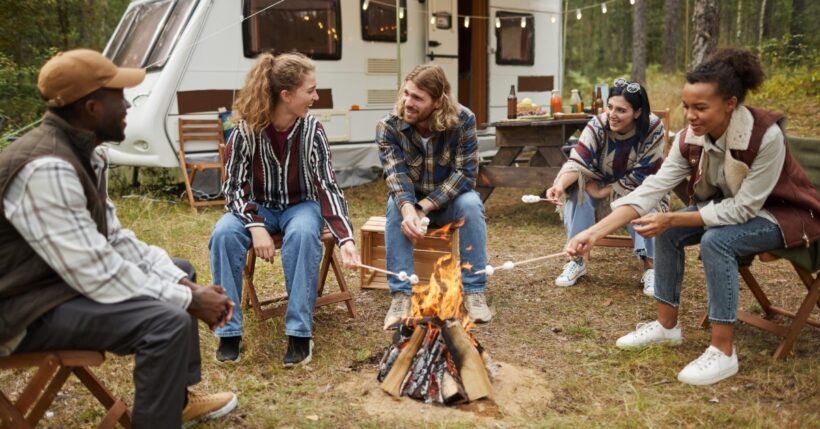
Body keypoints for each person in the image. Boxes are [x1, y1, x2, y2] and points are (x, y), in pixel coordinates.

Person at [0, 49, 237, 427]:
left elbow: (114, 238)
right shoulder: (47, 168)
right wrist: (189, 298)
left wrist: (180, 283)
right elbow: (95, 271)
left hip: (52, 285)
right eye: (118, 96)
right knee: (167, 321)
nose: (127, 104)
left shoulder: (86, 154)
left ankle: (177, 402)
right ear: (92, 107)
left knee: (180, 269)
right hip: (20, 311)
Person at [567, 48, 820, 385]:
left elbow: (744, 208)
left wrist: (672, 219)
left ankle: (723, 351)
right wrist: (595, 233)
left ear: (730, 103)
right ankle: (666, 326)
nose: (690, 116)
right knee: (669, 233)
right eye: (686, 106)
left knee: (716, 241)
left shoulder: (765, 136)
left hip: (784, 216)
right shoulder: (690, 138)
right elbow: (653, 186)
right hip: (731, 208)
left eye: (700, 107)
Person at [210, 52, 360, 366]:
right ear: (286, 95)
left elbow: (326, 185)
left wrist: (346, 238)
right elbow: (234, 187)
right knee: (223, 233)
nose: (316, 97)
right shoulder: (246, 131)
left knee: (305, 233)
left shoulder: (312, 130)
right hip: (257, 206)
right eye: (311, 90)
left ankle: (299, 334)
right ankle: (229, 332)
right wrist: (255, 225)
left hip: (300, 205)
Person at [377, 64, 491, 330]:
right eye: (406, 93)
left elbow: (465, 175)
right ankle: (401, 296)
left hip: (448, 203)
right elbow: (396, 176)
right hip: (411, 203)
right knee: (395, 207)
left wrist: (423, 207)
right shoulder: (389, 127)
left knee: (472, 203)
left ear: (438, 102)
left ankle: (474, 291)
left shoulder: (463, 121)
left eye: (417, 98)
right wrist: (409, 209)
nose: (407, 102)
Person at [546, 79, 666, 295]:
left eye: (621, 110)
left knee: (646, 201)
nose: (612, 114)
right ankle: (577, 260)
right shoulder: (598, 124)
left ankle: (651, 266)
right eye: (610, 107)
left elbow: (647, 174)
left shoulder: (653, 127)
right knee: (578, 192)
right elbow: (578, 161)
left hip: (639, 187)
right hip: (601, 187)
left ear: (638, 112)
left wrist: (604, 190)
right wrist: (560, 185)